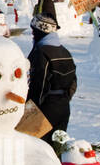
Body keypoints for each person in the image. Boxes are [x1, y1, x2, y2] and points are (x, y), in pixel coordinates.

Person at [27, 15, 77, 144]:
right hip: (64, 108)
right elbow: (73, 82)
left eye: (34, 31)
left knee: (39, 149)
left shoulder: (41, 52)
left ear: (41, 31)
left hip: (45, 109)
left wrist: (30, 109)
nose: (32, 34)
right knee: (57, 148)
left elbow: (38, 84)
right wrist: (64, 99)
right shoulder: (65, 51)